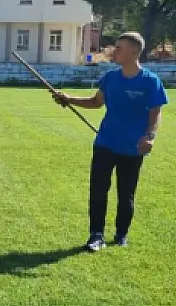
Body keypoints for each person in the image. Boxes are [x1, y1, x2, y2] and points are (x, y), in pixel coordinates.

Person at [51, 31, 168, 252]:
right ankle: (96, 235)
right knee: (98, 190)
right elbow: (96, 102)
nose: (115, 51)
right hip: (105, 142)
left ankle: (121, 234)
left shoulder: (151, 82)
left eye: (120, 48)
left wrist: (150, 136)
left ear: (134, 52)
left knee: (126, 194)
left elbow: (155, 113)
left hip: (132, 148)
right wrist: (69, 99)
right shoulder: (110, 78)